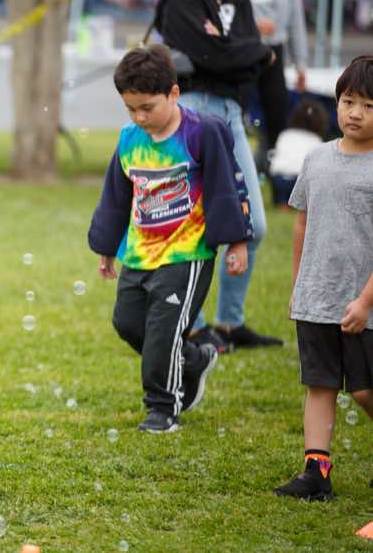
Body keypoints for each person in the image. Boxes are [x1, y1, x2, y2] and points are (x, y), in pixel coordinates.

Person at [88, 45, 253, 433]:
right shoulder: (129, 139)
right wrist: (107, 248)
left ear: (174, 93)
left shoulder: (203, 132)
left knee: (164, 333)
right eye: (131, 109)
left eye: (147, 107)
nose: (139, 117)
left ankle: (162, 409)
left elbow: (228, 187)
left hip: (186, 254)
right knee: (128, 323)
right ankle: (194, 360)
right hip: (139, 253)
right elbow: (116, 197)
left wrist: (237, 241)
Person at [152, 0, 281, 351]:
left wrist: (235, 51)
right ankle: (193, 323)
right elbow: (222, 56)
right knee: (192, 221)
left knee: (253, 224)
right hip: (190, 112)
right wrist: (249, 51)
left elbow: (234, 57)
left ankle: (230, 323)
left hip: (230, 113)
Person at [274, 56, 373, 502]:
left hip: (364, 304)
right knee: (320, 383)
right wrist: (300, 287)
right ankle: (317, 471)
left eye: (369, 106)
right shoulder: (316, 159)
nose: (356, 113)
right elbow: (302, 223)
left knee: (365, 390)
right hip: (317, 298)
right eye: (349, 101)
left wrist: (365, 302)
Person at [240, 0, 310, 152]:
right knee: (239, 112)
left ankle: (274, 163)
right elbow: (229, 14)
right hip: (246, 53)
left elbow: (296, 20)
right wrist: (254, 25)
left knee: (277, 113)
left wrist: (301, 63)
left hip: (275, 53)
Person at [267, 98, 327, 207]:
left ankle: (282, 202)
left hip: (278, 179)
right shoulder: (316, 140)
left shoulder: (285, 134)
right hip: (298, 181)